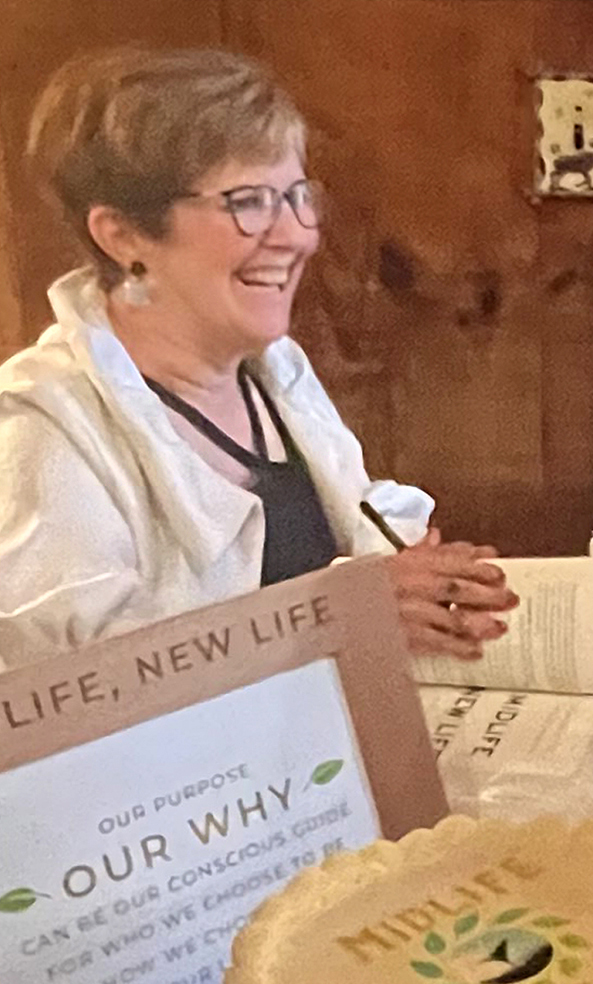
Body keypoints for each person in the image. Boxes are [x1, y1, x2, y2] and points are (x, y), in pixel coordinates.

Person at [0, 47, 518, 671]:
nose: (299, 235)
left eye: (297, 196)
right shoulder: (39, 427)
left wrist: (425, 582)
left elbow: (347, 542)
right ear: (125, 236)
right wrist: (338, 615)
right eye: (249, 202)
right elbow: (80, 690)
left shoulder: (274, 370)